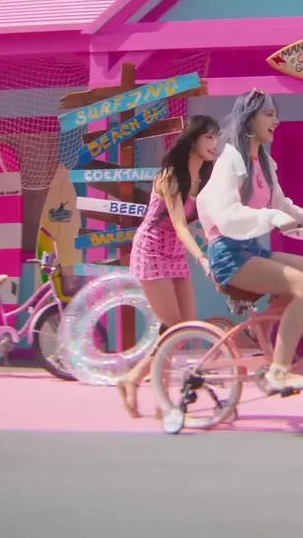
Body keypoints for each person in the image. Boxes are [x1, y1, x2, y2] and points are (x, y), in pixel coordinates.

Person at [197, 88, 303, 394]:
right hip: (228, 254)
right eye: (269, 115)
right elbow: (226, 215)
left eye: (276, 115)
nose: (276, 121)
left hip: (251, 249)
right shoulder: (230, 159)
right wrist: (270, 218)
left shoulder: (264, 163)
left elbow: (284, 207)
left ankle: (262, 329)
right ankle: (280, 371)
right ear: (249, 119)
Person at [116, 115, 219, 418]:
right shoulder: (170, 176)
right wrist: (202, 258)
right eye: (208, 137)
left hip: (174, 252)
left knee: (185, 328)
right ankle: (162, 401)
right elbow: (179, 224)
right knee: (175, 327)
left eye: (216, 137)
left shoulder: (206, 179)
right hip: (151, 250)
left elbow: (204, 222)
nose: (214, 143)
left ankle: (133, 378)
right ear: (193, 140)